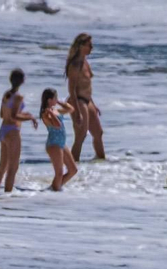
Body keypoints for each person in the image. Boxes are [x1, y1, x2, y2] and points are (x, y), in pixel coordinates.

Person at [0, 69, 36, 194]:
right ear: (22, 81)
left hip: (3, 130)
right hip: (12, 131)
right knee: (13, 168)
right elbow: (14, 116)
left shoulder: (6, 94)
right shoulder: (18, 96)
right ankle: (7, 195)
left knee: (2, 167)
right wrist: (30, 118)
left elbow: (2, 114)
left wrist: (24, 114)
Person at [65, 32, 104, 162]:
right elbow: (71, 89)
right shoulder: (75, 65)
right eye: (89, 45)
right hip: (78, 100)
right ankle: (73, 164)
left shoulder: (85, 62)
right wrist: (76, 112)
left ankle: (101, 162)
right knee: (81, 135)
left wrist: (93, 104)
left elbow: (87, 86)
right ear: (81, 46)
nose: (91, 48)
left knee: (98, 133)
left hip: (88, 100)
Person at [39, 88, 76, 191]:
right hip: (53, 143)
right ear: (49, 100)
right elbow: (57, 125)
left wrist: (59, 102)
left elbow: (71, 109)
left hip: (62, 143)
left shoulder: (56, 110)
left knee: (73, 170)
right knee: (59, 173)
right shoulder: (45, 113)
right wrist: (51, 113)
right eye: (55, 98)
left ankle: (54, 189)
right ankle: (55, 191)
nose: (57, 99)